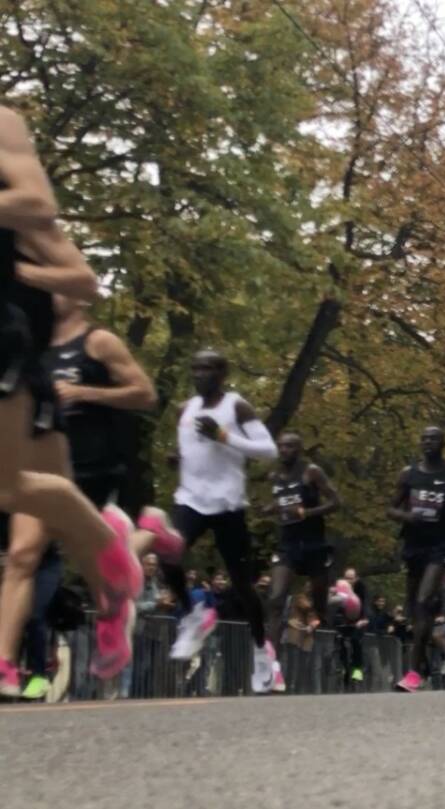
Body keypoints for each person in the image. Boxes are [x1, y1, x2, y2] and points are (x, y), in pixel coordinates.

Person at [0, 105, 145, 696]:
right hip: (39, 412)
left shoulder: (97, 338)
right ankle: (9, 660)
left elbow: (82, 278)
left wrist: (86, 389)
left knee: (28, 522)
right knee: (24, 551)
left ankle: (117, 563)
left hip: (62, 421)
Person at [159, 348, 280, 694]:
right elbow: (190, 451)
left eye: (208, 368)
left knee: (243, 586)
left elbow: (268, 450)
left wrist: (225, 437)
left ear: (222, 374)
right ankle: (193, 613)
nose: (200, 373)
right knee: (169, 552)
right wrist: (176, 458)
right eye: (195, 367)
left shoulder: (236, 406)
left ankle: (261, 652)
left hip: (228, 504)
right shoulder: (185, 409)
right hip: (191, 499)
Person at [387, 426, 445, 692]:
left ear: (443, 442)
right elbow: (390, 509)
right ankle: (423, 665)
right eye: (424, 438)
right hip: (414, 544)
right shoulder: (409, 474)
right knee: (416, 610)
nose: (428, 442)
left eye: (433, 438)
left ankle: (413, 673)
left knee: (423, 599)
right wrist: (406, 516)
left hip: (442, 545)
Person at [262, 431, 341, 691]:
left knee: (319, 604)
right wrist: (273, 509)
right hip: (288, 546)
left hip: (314, 546)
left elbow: (335, 502)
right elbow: (281, 505)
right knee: (275, 599)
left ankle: (327, 635)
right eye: (281, 446)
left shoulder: (312, 472)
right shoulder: (274, 477)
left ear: (299, 449)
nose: (284, 450)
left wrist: (308, 512)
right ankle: (273, 669)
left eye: (290, 446)